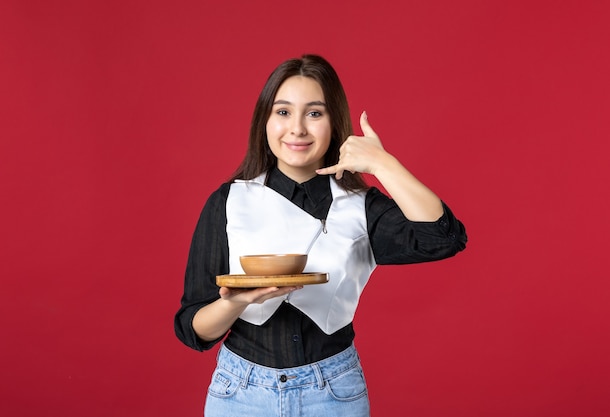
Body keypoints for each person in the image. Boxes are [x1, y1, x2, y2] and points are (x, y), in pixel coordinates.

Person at [174, 54, 467, 417]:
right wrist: (236, 302)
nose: (297, 129)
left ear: (334, 123)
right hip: (240, 392)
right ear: (265, 121)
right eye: (283, 112)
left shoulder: (362, 207)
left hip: (333, 393)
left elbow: (444, 237)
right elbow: (193, 329)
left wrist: (383, 165)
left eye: (314, 113)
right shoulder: (228, 201)